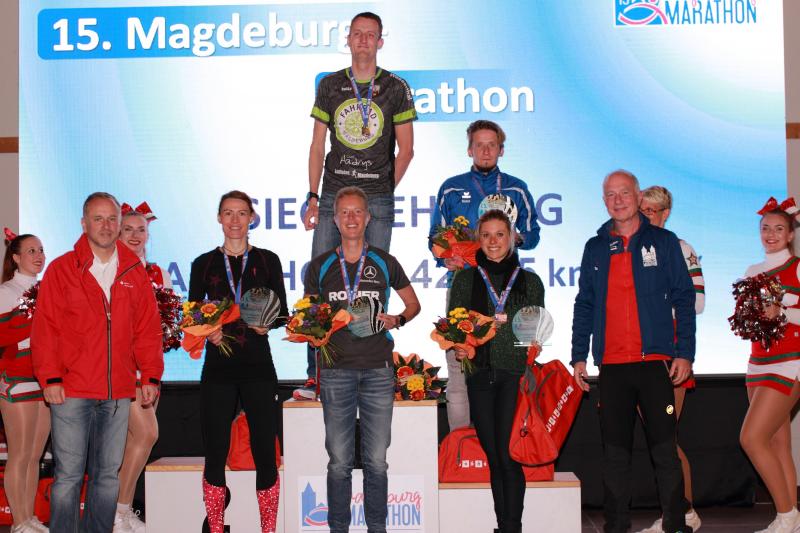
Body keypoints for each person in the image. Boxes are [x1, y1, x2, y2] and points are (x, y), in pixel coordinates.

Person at [297, 11, 417, 399]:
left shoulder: (396, 87)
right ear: (348, 39)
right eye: (357, 34)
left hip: (377, 199)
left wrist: (381, 192)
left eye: (371, 35)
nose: (364, 40)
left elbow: (406, 150)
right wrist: (313, 195)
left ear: (380, 42)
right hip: (332, 194)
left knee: (374, 280)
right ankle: (316, 374)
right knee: (318, 282)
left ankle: (374, 365)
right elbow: (317, 145)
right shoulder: (330, 85)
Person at [570, 170, 696, 533]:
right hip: (612, 367)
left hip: (655, 364)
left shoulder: (664, 242)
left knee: (665, 452)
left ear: (638, 196)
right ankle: (617, 526)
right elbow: (585, 303)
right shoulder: (595, 247)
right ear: (604, 201)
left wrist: (684, 353)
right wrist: (579, 355)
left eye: (624, 193)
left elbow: (684, 298)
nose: (618, 200)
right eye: (610, 195)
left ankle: (676, 525)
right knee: (614, 455)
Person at [31, 192, 163, 533]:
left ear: (118, 224)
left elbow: (147, 329)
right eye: (98, 219)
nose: (105, 226)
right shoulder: (62, 269)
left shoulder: (134, 271)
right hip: (72, 389)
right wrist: (50, 378)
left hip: (118, 391)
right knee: (68, 476)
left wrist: (150, 375)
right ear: (84, 223)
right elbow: (45, 329)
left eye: (111, 219)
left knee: (107, 476)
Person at [303, 186, 420, 533]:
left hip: (377, 372)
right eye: (345, 212)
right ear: (335, 220)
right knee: (339, 462)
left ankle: (377, 528)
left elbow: (413, 304)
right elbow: (308, 316)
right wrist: (313, 330)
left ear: (368, 218)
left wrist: (398, 319)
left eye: (357, 212)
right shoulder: (320, 266)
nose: (351, 218)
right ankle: (338, 528)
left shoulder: (385, 261)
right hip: (335, 371)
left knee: (377, 462)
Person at [430, 119, 541, 431]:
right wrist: (445, 257)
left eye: (492, 145)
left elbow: (533, 234)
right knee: (460, 368)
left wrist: (515, 237)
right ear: (469, 149)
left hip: (507, 288)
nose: (486, 151)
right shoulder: (451, 188)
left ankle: (509, 441)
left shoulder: (517, 188)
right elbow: (435, 237)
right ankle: (461, 444)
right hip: (464, 287)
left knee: (511, 366)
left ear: (501, 150)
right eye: (479, 145)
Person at [189, 190, 288, 533]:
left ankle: (268, 530)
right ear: (219, 218)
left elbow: (283, 312)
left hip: (258, 367)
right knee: (215, 452)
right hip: (217, 370)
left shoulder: (268, 260)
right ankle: (216, 528)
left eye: (241, 213)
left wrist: (268, 324)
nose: (235, 220)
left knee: (265, 453)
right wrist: (207, 332)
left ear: (251, 219)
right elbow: (192, 313)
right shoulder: (203, 264)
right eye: (228, 213)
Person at [448, 210, 545, 533]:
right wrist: (460, 345)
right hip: (478, 374)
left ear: (512, 238)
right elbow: (456, 324)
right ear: (478, 239)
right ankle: (504, 525)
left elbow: (534, 326)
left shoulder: (530, 281)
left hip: (513, 376)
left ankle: (510, 527)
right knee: (494, 455)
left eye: (500, 234)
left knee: (508, 455)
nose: (493, 241)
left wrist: (529, 343)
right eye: (486, 235)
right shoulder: (465, 279)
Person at [638, 186, 704, 533]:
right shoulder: (630, 247)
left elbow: (697, 301)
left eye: (652, 210)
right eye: (642, 210)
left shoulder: (680, 248)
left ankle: (683, 512)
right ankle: (679, 510)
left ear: (665, 214)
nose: (646, 216)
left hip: (670, 354)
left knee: (665, 438)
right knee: (658, 438)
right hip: (638, 356)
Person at [737, 198, 800, 533]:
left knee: (751, 438)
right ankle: (792, 521)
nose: (771, 234)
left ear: (790, 234)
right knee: (777, 444)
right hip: (758, 362)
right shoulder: (752, 271)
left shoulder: (797, 268)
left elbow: (786, 315)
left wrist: (783, 311)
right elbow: (748, 322)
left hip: (790, 363)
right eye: (765, 229)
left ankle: (786, 515)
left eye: (778, 229)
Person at [113, 203, 171, 533]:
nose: (135, 236)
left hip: (150, 366)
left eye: (141, 230)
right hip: (122, 368)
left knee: (133, 443)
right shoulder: (110, 270)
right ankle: (118, 511)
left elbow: (166, 320)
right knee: (148, 433)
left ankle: (122, 512)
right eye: (128, 230)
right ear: (117, 234)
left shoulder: (158, 273)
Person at [0, 230, 50, 533]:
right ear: (16, 257)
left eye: (41, 250)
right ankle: (18, 521)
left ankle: (30, 517)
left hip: (44, 379)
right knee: (18, 454)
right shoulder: (7, 291)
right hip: (16, 378)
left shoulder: (47, 289)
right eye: (31, 251)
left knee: (35, 455)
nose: (39, 256)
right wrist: (34, 320)